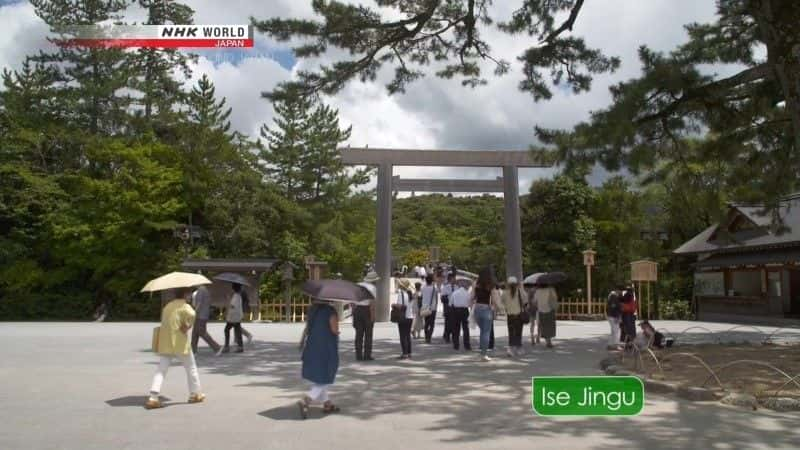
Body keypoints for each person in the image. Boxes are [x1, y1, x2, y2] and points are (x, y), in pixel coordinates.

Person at [145, 287, 204, 409]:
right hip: (180, 343)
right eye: (188, 293)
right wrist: (188, 324)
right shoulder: (185, 307)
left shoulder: (167, 307)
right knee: (191, 368)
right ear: (185, 294)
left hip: (166, 342)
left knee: (161, 370)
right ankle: (195, 394)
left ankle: (153, 397)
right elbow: (192, 315)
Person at [298, 300, 340, 418]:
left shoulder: (312, 310)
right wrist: (338, 329)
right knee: (326, 375)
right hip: (326, 347)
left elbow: (307, 328)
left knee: (320, 376)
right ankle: (307, 400)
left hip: (312, 345)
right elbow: (334, 330)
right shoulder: (331, 311)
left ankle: (328, 404)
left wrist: (301, 341)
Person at [471, 277, 498, 361]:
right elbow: (494, 300)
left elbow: (471, 297)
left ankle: (482, 353)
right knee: (486, 332)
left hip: (477, 309)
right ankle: (484, 354)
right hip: (486, 309)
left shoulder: (476, 284)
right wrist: (495, 309)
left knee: (482, 331)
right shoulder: (490, 285)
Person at [354, 271, 378, 361]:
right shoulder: (372, 288)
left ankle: (358, 355)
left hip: (357, 310)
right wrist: (373, 315)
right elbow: (372, 303)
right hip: (367, 310)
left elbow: (353, 300)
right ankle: (367, 355)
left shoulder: (358, 285)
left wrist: (354, 311)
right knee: (368, 334)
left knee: (358, 334)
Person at [502, 277, 528, 357]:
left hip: (510, 315)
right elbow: (526, 301)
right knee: (518, 332)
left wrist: (506, 307)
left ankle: (510, 349)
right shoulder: (520, 291)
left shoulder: (505, 293)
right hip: (518, 315)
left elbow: (502, 302)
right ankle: (518, 348)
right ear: (516, 284)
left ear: (508, 284)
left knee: (511, 332)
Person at [191, 285, 221, 354]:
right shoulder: (205, 290)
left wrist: (194, 312)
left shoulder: (200, 291)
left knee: (202, 332)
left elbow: (199, 304)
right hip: (203, 314)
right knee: (195, 333)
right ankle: (193, 351)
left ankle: (216, 347)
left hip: (200, 315)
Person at [219, 283, 244, 354]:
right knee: (237, 330)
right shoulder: (238, 296)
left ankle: (227, 347)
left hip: (233, 317)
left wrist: (228, 299)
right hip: (237, 316)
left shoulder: (236, 296)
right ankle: (240, 346)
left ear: (233, 289)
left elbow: (232, 306)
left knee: (227, 330)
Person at [393, 279, 415, 359]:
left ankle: (404, 353)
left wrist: (394, 305)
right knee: (408, 335)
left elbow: (400, 305)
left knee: (403, 335)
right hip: (410, 316)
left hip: (403, 317)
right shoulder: (410, 294)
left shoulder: (401, 294)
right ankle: (409, 352)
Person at [534, 283, 558, 348]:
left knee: (543, 326)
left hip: (541, 310)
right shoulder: (551, 289)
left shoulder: (538, 291)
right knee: (550, 326)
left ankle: (546, 341)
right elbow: (555, 298)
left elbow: (535, 301)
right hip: (549, 310)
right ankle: (549, 342)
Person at [450, 282, 472, 350]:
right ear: (465, 287)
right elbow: (469, 304)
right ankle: (467, 345)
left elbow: (451, 303)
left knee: (456, 328)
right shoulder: (467, 293)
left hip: (456, 311)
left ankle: (456, 345)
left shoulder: (454, 293)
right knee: (466, 328)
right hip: (465, 311)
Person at [421, 274, 439, 344]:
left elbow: (421, 296)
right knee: (432, 324)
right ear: (432, 280)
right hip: (432, 308)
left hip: (425, 307)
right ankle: (429, 337)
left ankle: (426, 336)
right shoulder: (434, 288)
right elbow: (436, 298)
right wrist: (436, 305)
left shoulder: (423, 288)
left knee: (426, 323)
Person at [606, 286, 623, 350]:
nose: (621, 292)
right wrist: (617, 316)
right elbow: (613, 307)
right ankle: (616, 345)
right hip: (614, 316)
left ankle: (610, 344)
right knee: (617, 331)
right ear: (617, 290)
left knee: (613, 331)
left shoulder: (611, 296)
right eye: (620, 291)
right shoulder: (614, 297)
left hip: (611, 315)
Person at [620, 283, 638, 348]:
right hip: (632, 313)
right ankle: (631, 342)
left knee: (626, 328)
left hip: (627, 313)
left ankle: (627, 343)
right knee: (631, 328)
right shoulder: (633, 295)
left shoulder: (628, 294)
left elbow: (622, 300)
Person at [440, 274, 456, 343]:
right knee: (447, 322)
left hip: (455, 307)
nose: (454, 280)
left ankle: (453, 335)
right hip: (448, 307)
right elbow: (442, 298)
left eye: (454, 279)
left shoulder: (457, 287)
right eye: (453, 279)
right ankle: (447, 336)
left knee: (454, 322)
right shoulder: (445, 287)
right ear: (449, 279)